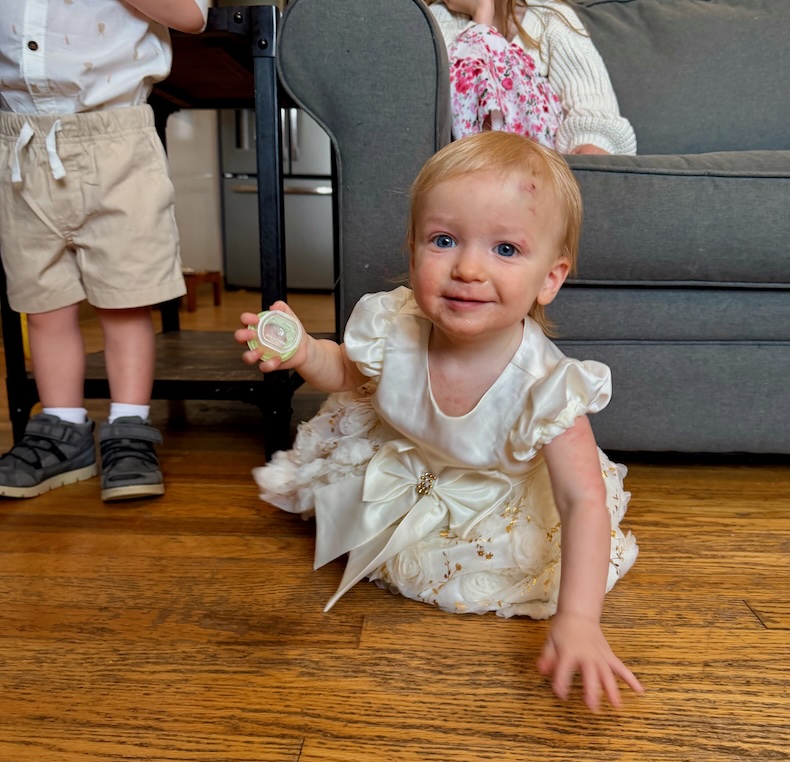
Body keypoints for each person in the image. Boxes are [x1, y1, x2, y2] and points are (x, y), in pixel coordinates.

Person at [236, 131, 642, 710]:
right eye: (444, 240)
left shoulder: (546, 387)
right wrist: (305, 353)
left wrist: (579, 619)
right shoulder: (394, 325)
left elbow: (582, 502)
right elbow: (351, 375)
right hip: (414, 454)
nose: (469, 268)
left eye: (505, 249)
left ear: (550, 278)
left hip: (494, 491)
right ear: (413, 250)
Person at [0, 0, 209, 501]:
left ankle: (129, 427)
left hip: (115, 137)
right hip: (19, 142)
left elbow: (191, 15)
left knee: (125, 300)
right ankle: (63, 427)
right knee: (44, 303)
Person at [426, 0, 636, 155]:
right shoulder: (431, 21)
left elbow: (595, 109)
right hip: (467, 166)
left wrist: (587, 150)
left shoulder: (551, 19)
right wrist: (482, 15)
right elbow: (452, 113)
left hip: (543, 170)